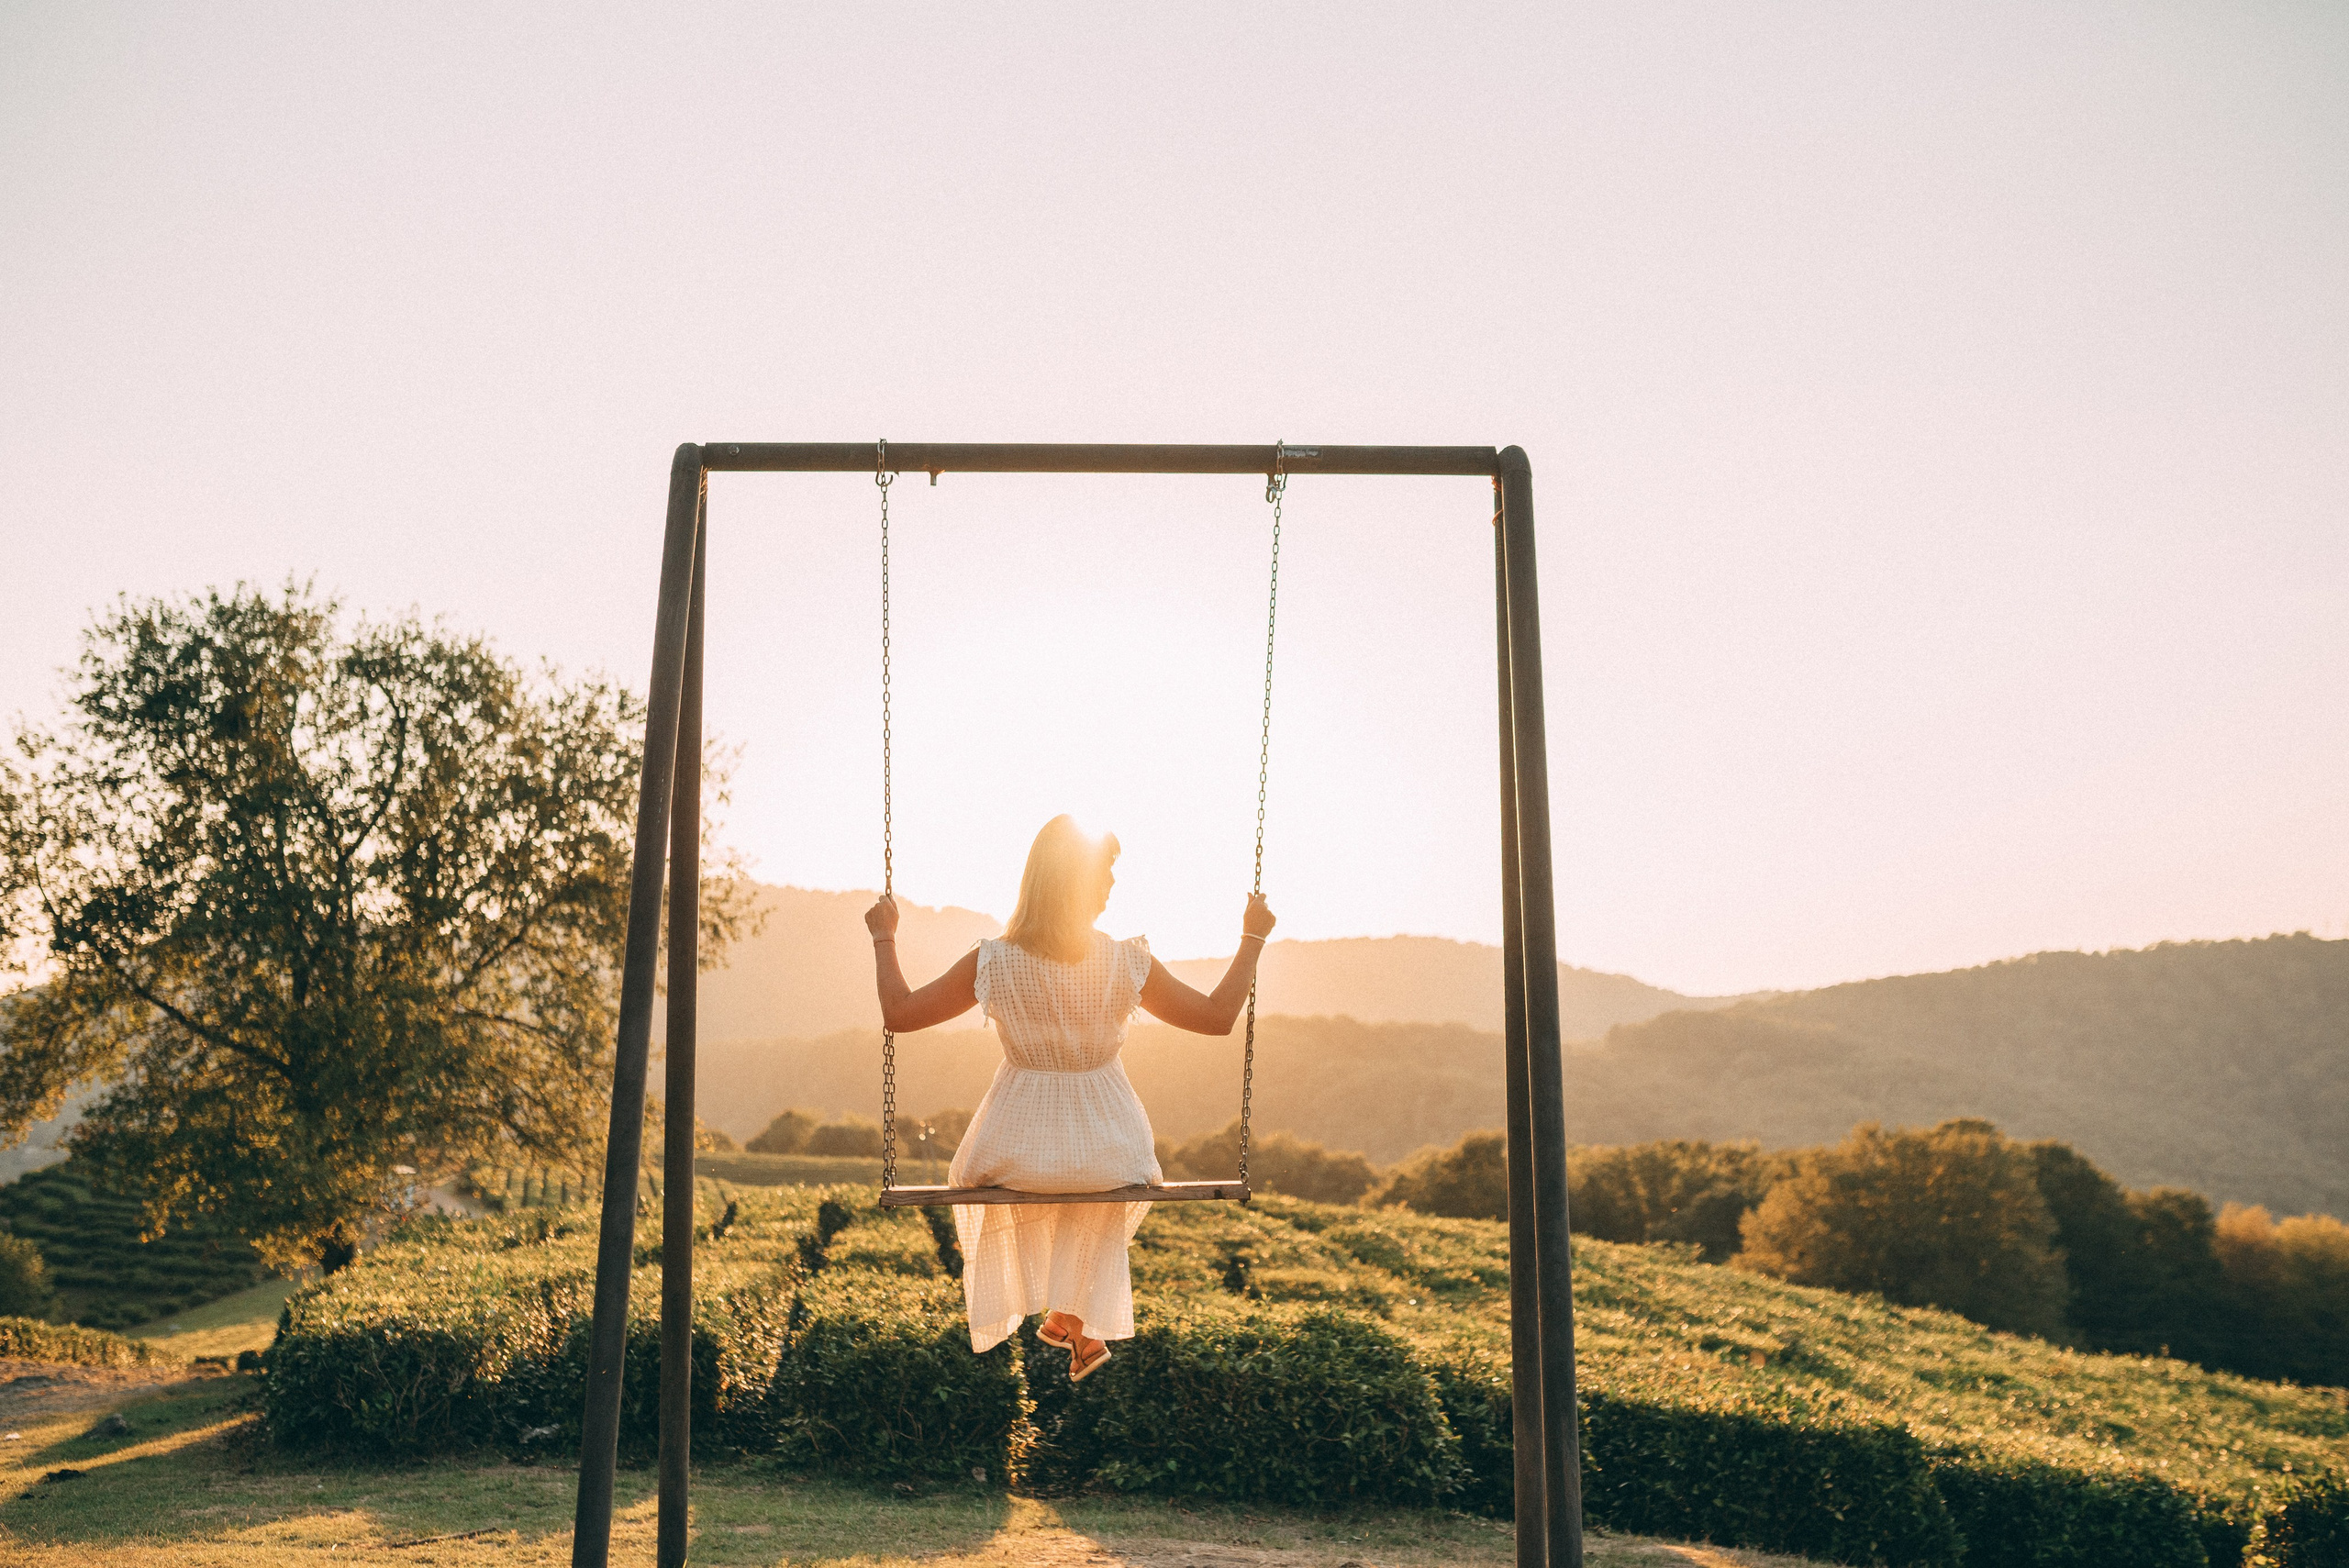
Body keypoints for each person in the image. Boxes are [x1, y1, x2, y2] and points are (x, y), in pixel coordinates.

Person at [866, 814, 1275, 1380]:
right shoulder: (1125, 961)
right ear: (1076, 881)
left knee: (1013, 1178)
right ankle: (1073, 1319)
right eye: (1105, 871)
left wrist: (884, 936)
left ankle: (1070, 1318)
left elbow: (900, 1014)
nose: (1111, 885)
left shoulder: (995, 960)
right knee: (1104, 1182)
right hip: (1112, 1146)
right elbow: (1216, 1017)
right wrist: (1253, 938)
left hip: (1012, 1146)